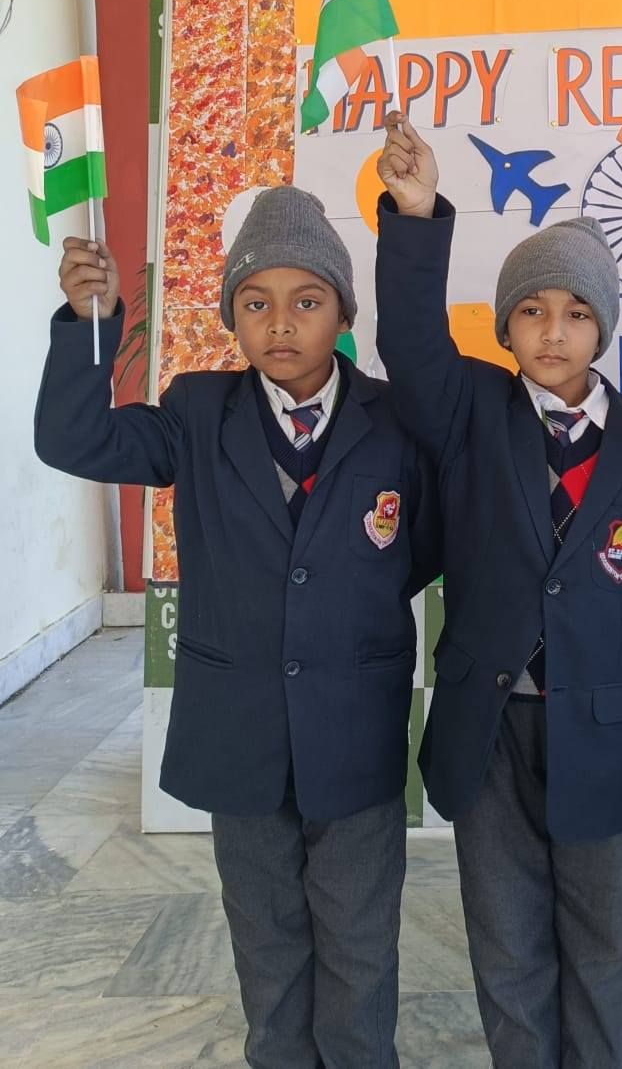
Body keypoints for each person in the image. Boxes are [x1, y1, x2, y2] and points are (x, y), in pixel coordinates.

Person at [34, 186, 442, 1069]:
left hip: (355, 732)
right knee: (266, 937)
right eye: (255, 303)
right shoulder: (195, 412)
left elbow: (421, 547)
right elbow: (74, 440)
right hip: (240, 732)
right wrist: (89, 324)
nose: (280, 323)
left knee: (360, 941)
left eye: (307, 301)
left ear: (343, 312)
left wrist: (339, 615)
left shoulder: (394, 422)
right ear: (231, 316)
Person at [373, 116, 622, 1068]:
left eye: (574, 312)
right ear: (505, 326)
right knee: (507, 937)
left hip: (602, 721)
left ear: (602, 326)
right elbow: (411, 342)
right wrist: (415, 212)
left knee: (603, 937)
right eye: (530, 310)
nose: (552, 331)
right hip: (491, 726)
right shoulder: (469, 409)